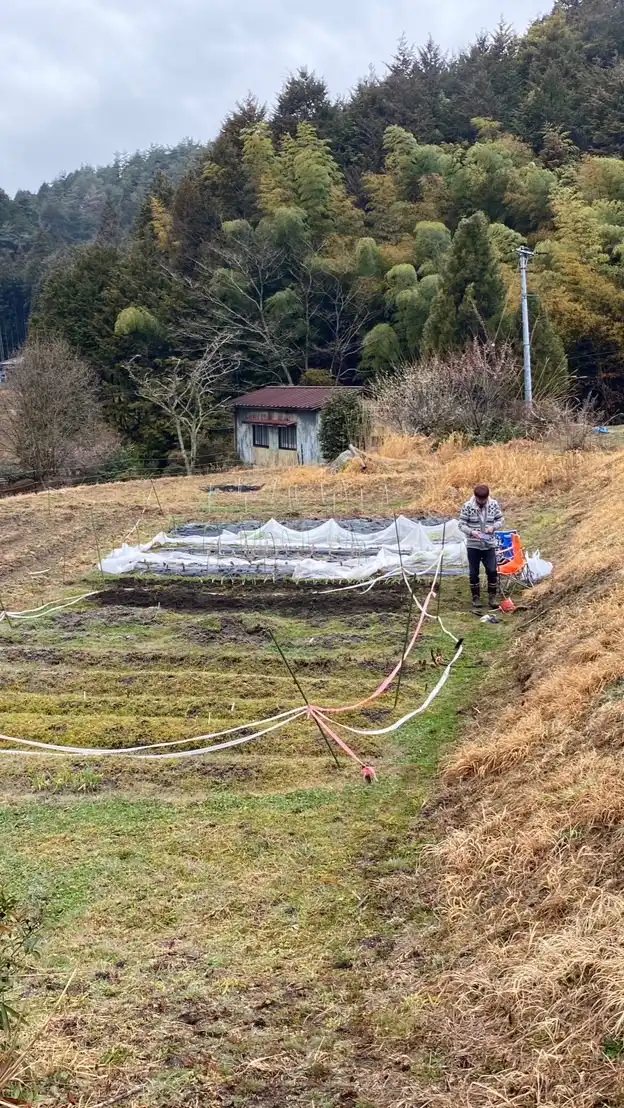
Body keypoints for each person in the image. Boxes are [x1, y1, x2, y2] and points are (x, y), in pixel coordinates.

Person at [458, 484, 505, 614]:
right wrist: (472, 532)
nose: (482, 502)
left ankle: (492, 597)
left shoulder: (493, 504)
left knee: (491, 570)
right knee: (473, 573)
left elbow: (501, 519)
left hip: (489, 544)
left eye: (484, 500)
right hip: (473, 545)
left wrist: (493, 527)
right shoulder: (467, 506)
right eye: (480, 500)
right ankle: (476, 597)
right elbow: (461, 524)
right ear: (476, 497)